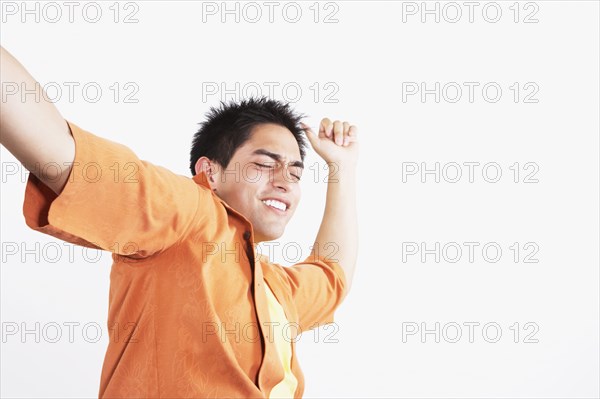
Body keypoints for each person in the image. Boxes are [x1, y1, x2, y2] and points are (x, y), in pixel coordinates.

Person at [0, 45, 358, 398]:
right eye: (264, 164)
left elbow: (331, 273)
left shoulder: (277, 289)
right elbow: (60, 152)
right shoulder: (188, 212)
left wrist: (341, 167)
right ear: (210, 172)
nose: (284, 180)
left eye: (295, 174)